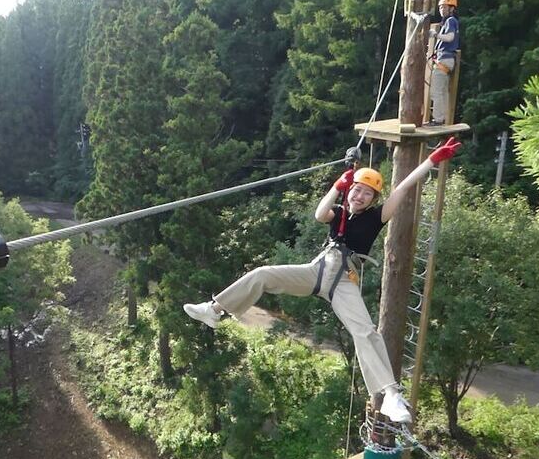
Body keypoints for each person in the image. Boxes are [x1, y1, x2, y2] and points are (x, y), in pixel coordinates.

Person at [183, 138, 462, 424]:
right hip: (317, 272)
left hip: (343, 281)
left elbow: (402, 187)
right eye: (357, 190)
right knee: (263, 274)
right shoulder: (338, 214)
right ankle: (214, 310)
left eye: (367, 193)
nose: (360, 196)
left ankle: (390, 394)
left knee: (366, 332)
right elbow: (319, 214)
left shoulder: (376, 218)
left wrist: (432, 161)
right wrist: (336, 187)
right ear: (349, 191)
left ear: (373, 199)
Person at [427, 0, 460, 126]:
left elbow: (450, 37)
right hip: (446, 60)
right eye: (440, 7)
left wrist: (436, 35)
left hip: (444, 59)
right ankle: (443, 118)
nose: (442, 9)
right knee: (443, 91)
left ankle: (438, 119)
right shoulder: (449, 22)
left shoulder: (451, 21)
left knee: (436, 91)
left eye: (444, 7)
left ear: (452, 8)